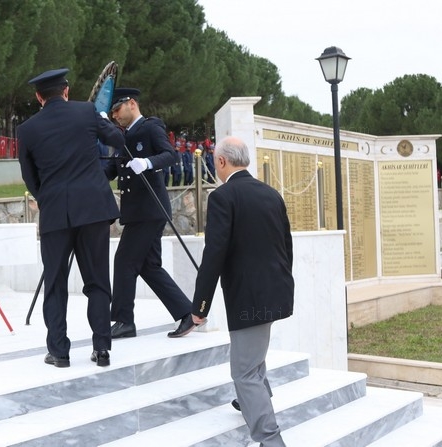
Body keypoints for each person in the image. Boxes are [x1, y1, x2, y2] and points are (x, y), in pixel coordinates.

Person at [17, 68, 125, 368]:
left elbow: (29, 176)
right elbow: (117, 138)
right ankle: (102, 348)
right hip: (93, 209)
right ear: (66, 91)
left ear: (39, 97)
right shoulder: (87, 111)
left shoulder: (27, 129)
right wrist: (101, 120)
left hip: (55, 213)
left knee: (55, 284)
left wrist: (45, 197)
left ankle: (60, 352)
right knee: (98, 282)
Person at [191, 136, 294, 446]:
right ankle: (247, 401)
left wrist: (201, 306)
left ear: (222, 162)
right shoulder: (271, 193)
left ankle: (270, 438)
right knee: (254, 359)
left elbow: (214, 254)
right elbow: (286, 245)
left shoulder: (224, 197)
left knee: (244, 371)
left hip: (250, 296)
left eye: (214, 161)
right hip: (275, 289)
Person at [105, 87, 196, 339]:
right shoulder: (122, 137)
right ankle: (187, 313)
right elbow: (111, 170)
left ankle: (124, 321)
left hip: (149, 208)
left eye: (117, 109)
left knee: (124, 261)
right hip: (138, 211)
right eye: (111, 112)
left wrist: (147, 163)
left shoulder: (150, 127)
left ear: (132, 104)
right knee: (149, 266)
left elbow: (170, 155)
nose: (114, 115)